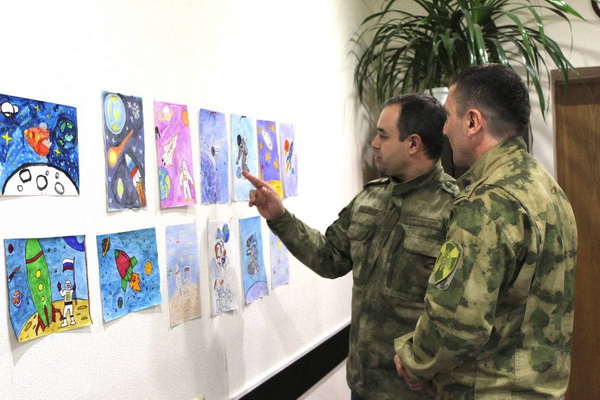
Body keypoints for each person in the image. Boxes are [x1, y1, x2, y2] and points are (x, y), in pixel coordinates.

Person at [244, 93, 458, 400]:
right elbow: (329, 258)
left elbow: (462, 312)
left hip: (418, 392)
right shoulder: (371, 198)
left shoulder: (454, 209)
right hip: (363, 385)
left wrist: (429, 367)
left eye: (383, 135)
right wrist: (280, 218)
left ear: (413, 144)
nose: (374, 143)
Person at [394, 64, 578, 399]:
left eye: (448, 116)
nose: (444, 129)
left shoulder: (487, 203)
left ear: (473, 122)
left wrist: (413, 361)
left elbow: (455, 325)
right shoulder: (548, 189)